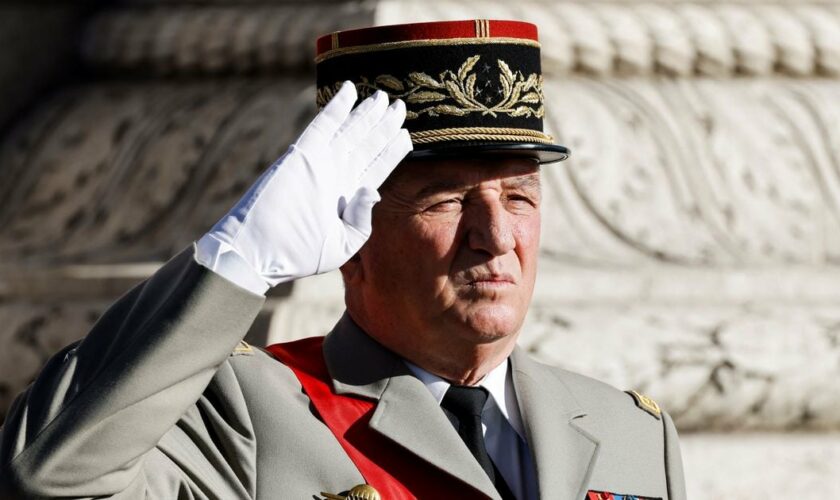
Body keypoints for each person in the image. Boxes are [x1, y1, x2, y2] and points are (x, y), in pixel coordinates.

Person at [0, 20, 685, 500]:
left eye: (518, 196)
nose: (496, 235)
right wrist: (240, 261)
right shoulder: (246, 410)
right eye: (447, 199)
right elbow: (52, 478)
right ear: (352, 226)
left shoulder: (630, 432)